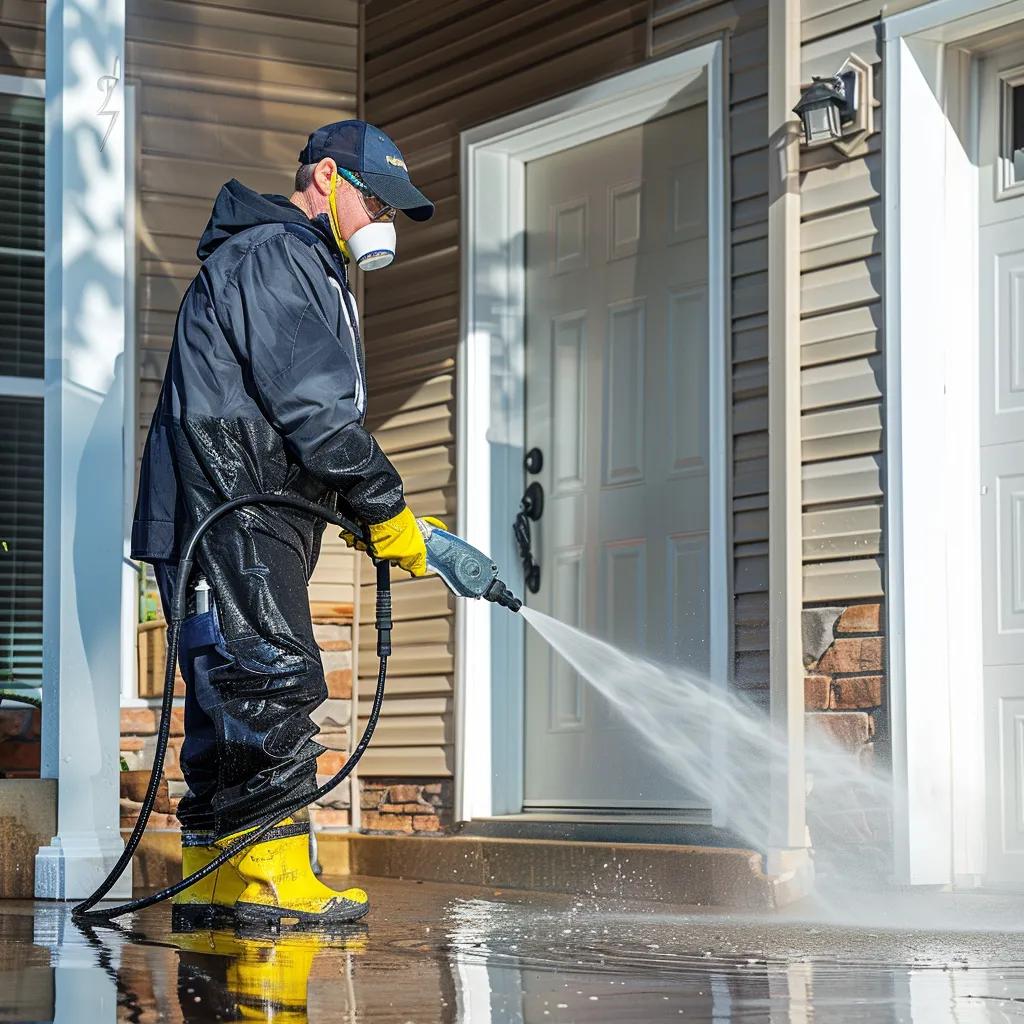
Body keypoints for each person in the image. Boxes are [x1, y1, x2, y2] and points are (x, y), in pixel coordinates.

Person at [131, 120, 437, 932]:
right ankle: (270, 875)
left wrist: (357, 512)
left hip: (219, 506)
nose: (382, 219)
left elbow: (280, 412)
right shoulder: (280, 254)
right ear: (327, 177)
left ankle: (212, 875)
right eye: (374, 198)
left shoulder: (276, 258)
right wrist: (384, 507)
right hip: (237, 505)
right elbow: (314, 411)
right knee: (274, 676)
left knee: (224, 691)